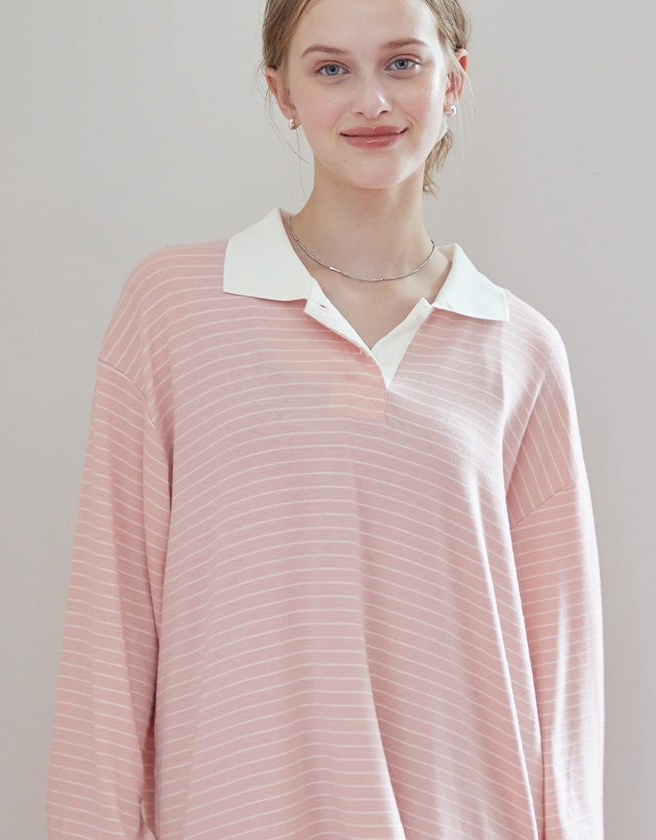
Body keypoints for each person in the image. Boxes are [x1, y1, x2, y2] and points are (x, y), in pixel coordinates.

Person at [46, 0, 604, 837]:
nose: (371, 99)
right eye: (331, 68)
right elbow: (112, 618)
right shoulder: (175, 308)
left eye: (403, 63)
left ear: (453, 80)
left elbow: (562, 668)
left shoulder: (520, 347)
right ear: (283, 92)